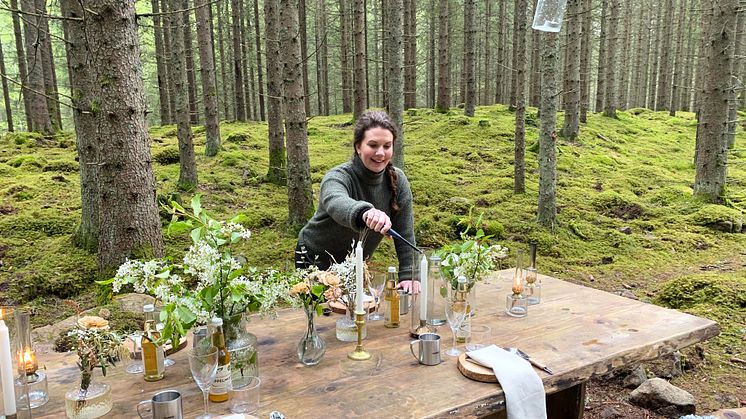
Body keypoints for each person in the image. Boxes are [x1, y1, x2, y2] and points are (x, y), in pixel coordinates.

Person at [295, 110, 421, 293]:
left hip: (354, 265)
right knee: (324, 317)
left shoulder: (398, 181)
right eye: (373, 145)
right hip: (314, 260)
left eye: (387, 146)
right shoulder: (338, 177)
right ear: (358, 147)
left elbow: (405, 232)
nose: (380, 153)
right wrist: (365, 212)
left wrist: (409, 274)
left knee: (355, 314)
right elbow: (335, 201)